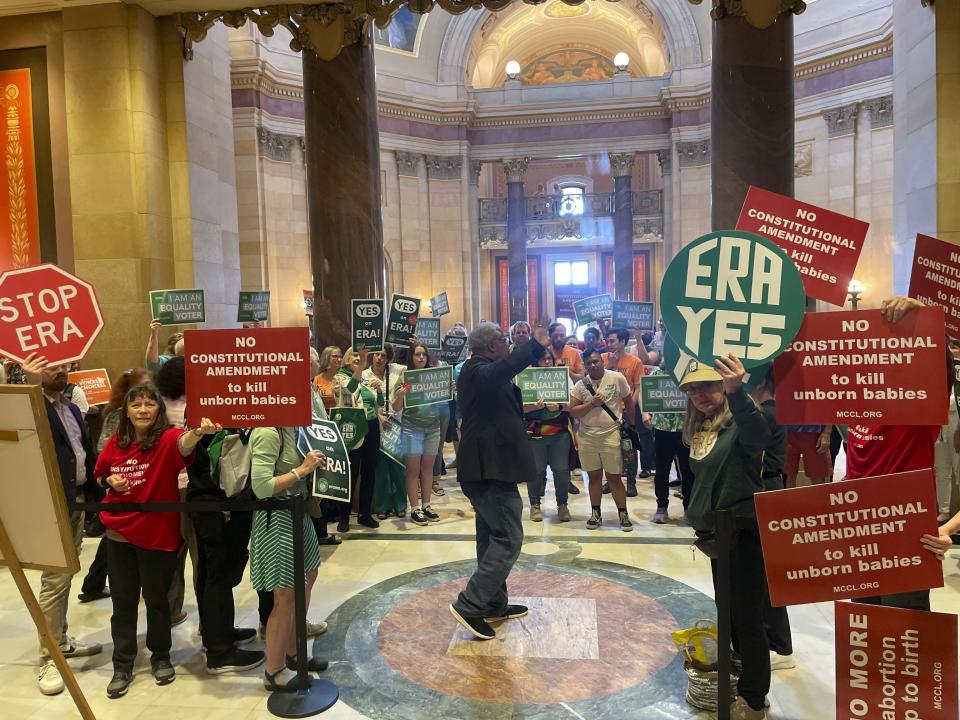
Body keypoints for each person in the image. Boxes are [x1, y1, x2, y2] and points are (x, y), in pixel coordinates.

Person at [95, 384, 221, 698]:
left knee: (157, 601)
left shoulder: (166, 439)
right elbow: (100, 475)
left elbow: (184, 443)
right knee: (123, 603)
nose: (142, 410)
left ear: (158, 410)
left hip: (155, 532)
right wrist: (109, 480)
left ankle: (160, 656)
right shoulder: (115, 442)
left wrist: (199, 432)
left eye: (149, 405)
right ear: (127, 410)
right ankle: (122, 663)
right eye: (136, 405)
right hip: (118, 533)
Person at [681, 355, 772, 720]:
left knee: (747, 617)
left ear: (722, 385)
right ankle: (740, 676)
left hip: (743, 532)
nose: (699, 394)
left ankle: (753, 698)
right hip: (716, 535)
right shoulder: (703, 425)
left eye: (706, 385)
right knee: (728, 613)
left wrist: (737, 394)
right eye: (692, 388)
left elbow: (758, 435)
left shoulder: (741, 422)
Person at [845, 296, 948, 612]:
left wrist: (920, 315)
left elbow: (940, 367)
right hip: (860, 534)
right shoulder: (852, 407)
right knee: (865, 631)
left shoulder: (918, 410)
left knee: (904, 636)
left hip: (904, 536)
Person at [450, 322, 550, 639]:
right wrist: (533, 345)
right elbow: (498, 375)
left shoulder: (484, 372)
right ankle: (470, 604)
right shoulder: (476, 369)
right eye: (504, 341)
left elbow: (500, 405)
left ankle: (492, 604)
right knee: (508, 538)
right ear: (492, 346)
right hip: (487, 471)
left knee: (491, 538)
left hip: (492, 468)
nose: (508, 345)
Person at [21, 353, 103, 697]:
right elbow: (22, 425)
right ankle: (48, 656)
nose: (60, 370)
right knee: (55, 579)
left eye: (64, 364)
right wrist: (29, 385)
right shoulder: (31, 405)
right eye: (50, 366)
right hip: (50, 503)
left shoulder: (69, 407)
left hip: (77, 500)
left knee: (67, 572)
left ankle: (61, 640)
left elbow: (82, 451)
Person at [249, 423, 328, 691]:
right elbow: (261, 487)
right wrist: (302, 470)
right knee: (285, 593)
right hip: (277, 517)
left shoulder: (295, 429)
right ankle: (274, 668)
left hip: (298, 511)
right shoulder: (267, 432)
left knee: (308, 575)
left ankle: (294, 649)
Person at [78, 367, 153, 604]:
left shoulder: (118, 411)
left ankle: (93, 583)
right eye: (146, 382)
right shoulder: (120, 415)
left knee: (112, 539)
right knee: (114, 539)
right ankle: (94, 584)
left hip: (123, 482)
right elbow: (107, 447)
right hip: (120, 483)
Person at [748, 370, 794, 672]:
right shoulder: (770, 411)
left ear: (761, 381)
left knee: (764, 575)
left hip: (765, 488)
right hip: (767, 488)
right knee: (761, 573)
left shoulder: (766, 414)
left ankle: (779, 644)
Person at [569, 348, 636, 531]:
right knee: (594, 477)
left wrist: (632, 423)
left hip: (611, 433)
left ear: (602, 361)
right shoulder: (581, 385)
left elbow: (628, 400)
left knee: (614, 477)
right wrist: (591, 404)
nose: (593, 365)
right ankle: (595, 513)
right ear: (584, 365)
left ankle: (623, 513)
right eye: (589, 363)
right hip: (587, 436)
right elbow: (573, 411)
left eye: (596, 361)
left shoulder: (616, 378)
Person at [154, 357, 199, 627]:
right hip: (189, 486)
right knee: (198, 554)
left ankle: (170, 611)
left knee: (170, 554)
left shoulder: (157, 406)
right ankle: (209, 620)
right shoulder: (193, 405)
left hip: (163, 487)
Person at [391, 342, 444, 526]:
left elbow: (443, 401)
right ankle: (414, 508)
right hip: (412, 428)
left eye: (423, 355)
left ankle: (427, 505)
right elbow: (395, 407)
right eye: (417, 355)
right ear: (412, 357)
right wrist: (400, 395)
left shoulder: (434, 376)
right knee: (413, 470)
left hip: (433, 427)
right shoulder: (406, 377)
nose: (421, 358)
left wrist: (449, 390)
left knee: (428, 468)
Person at [333, 347, 380, 531]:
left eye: (359, 356)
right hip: (351, 427)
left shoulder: (367, 378)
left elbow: (379, 402)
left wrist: (380, 391)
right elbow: (350, 389)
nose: (357, 358)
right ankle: (344, 517)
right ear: (346, 359)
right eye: (354, 355)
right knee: (351, 472)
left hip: (371, 425)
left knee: (370, 471)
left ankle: (365, 514)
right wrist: (362, 364)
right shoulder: (340, 377)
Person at [523, 352, 573, 522]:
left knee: (561, 470)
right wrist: (531, 407)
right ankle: (535, 505)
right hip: (534, 433)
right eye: (542, 358)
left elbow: (572, 404)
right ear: (535, 361)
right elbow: (517, 407)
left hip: (559, 434)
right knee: (536, 470)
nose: (546, 361)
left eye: (549, 359)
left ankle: (562, 505)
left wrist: (559, 405)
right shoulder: (526, 379)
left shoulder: (563, 378)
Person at [601, 328, 645, 497]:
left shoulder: (635, 362)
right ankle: (611, 481)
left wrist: (630, 406)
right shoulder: (603, 359)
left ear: (623, 342)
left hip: (627, 411)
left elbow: (638, 387)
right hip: (606, 411)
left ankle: (631, 483)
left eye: (612, 341)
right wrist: (610, 365)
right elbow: (595, 383)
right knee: (608, 448)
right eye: (607, 340)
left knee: (629, 448)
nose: (609, 344)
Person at [365, 346, 408, 519]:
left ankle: (400, 504)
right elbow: (362, 401)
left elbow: (411, 371)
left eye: (383, 355)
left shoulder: (398, 370)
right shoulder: (365, 376)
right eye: (376, 354)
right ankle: (382, 505)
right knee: (380, 467)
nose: (379, 358)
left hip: (396, 423)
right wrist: (378, 416)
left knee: (398, 466)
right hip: (376, 425)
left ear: (388, 358)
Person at [647, 366, 693, 524]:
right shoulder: (657, 373)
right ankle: (661, 507)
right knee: (661, 470)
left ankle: (689, 508)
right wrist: (645, 413)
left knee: (688, 471)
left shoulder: (690, 372)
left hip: (686, 428)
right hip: (662, 429)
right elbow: (647, 395)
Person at [313, 346, 343, 411]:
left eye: (340, 357)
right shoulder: (317, 378)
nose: (339, 359)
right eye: (335, 356)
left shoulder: (343, 377)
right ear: (326, 357)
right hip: (322, 414)